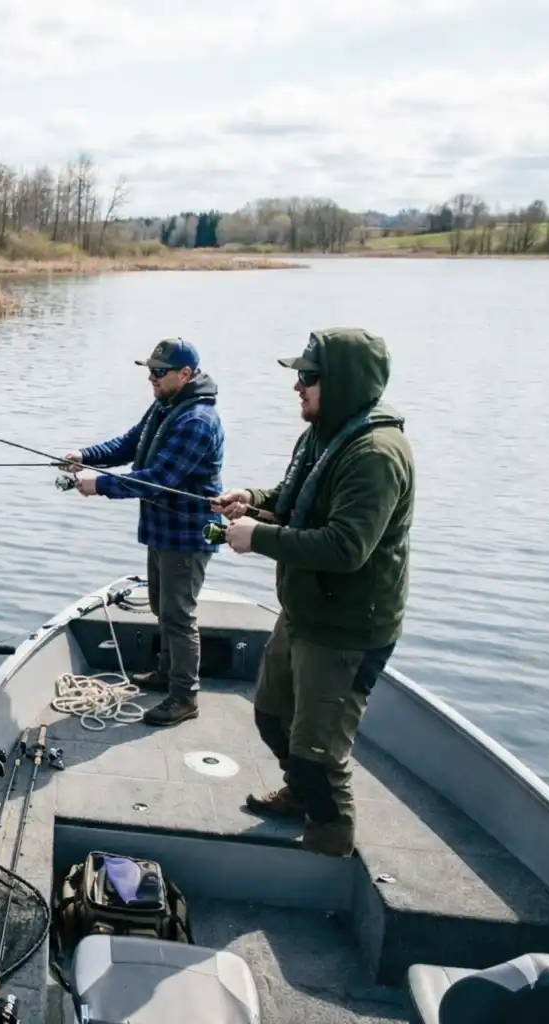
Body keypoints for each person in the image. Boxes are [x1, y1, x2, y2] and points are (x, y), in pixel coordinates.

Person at [212, 328, 415, 857]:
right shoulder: (321, 434)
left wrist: (257, 538)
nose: (297, 387)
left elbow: (348, 546)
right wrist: (251, 500)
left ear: (342, 382)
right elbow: (292, 498)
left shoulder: (375, 453)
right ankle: (301, 797)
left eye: (308, 377)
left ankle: (329, 844)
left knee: (318, 753)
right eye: (298, 376)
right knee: (270, 716)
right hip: (304, 612)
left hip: (348, 629)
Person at [61, 337, 225, 727]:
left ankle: (185, 697)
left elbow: (157, 480)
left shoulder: (197, 421)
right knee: (161, 608)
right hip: (161, 532)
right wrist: (84, 456)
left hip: (186, 535)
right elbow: (130, 443)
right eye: (149, 370)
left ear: (185, 375)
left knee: (178, 616)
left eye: (159, 372)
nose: (151, 378)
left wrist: (99, 486)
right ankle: (166, 673)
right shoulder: (167, 405)